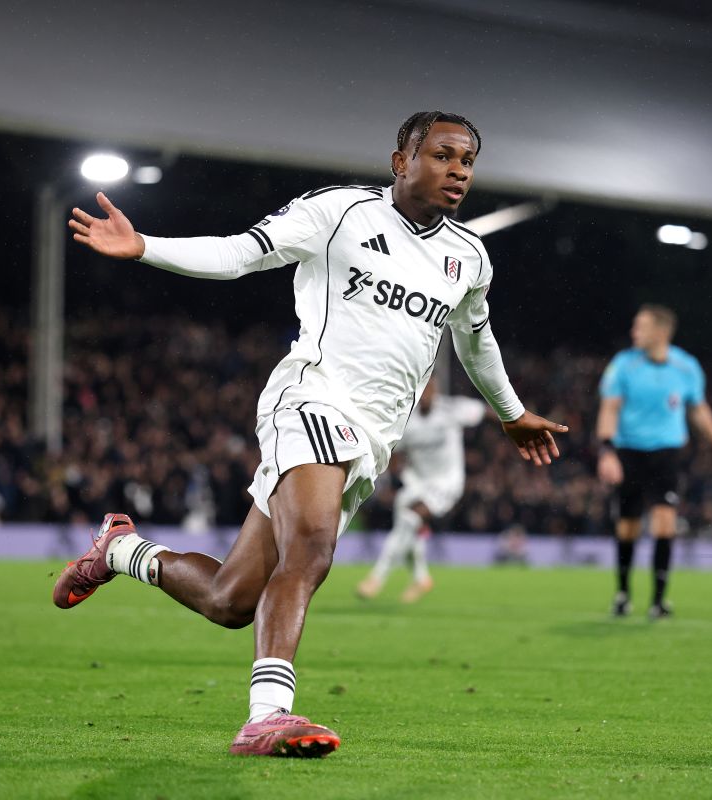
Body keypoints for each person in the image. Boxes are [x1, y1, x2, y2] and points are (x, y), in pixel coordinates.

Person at [54, 111, 567, 758]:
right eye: (441, 155)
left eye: (467, 161)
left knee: (230, 599)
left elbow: (476, 338)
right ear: (400, 160)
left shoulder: (467, 257)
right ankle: (268, 714)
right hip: (313, 396)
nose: (457, 171)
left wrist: (511, 412)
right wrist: (147, 245)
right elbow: (241, 252)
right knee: (314, 547)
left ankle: (119, 550)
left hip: (372, 441)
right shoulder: (339, 213)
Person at [595, 304, 712, 619]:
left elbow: (699, 411)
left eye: (641, 326)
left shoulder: (686, 367)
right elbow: (609, 408)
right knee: (629, 525)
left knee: (665, 522)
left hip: (667, 453)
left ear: (661, 332)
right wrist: (607, 451)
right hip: (629, 452)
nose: (634, 332)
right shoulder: (623, 365)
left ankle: (658, 600)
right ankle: (623, 594)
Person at [355, 378, 487, 602]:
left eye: (431, 389)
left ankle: (377, 578)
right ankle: (421, 577)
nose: (427, 394)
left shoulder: (451, 409)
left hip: (447, 483)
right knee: (410, 530)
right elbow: (396, 452)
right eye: (423, 389)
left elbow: (482, 410)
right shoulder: (407, 421)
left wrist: (513, 422)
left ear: (436, 391)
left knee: (409, 520)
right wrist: (396, 479)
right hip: (417, 482)